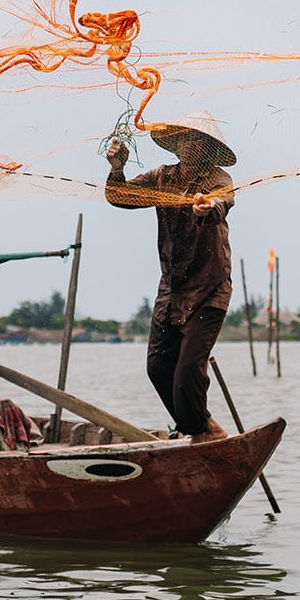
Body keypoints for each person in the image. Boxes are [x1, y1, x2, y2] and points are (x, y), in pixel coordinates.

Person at [106, 111, 235, 444]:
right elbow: (120, 197)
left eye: (197, 140)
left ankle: (199, 432)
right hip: (172, 288)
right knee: (158, 367)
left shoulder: (218, 180)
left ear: (208, 148)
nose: (189, 145)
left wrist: (206, 209)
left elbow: (221, 202)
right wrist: (117, 168)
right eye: (185, 139)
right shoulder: (161, 178)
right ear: (175, 145)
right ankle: (202, 428)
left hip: (210, 289)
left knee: (188, 371)